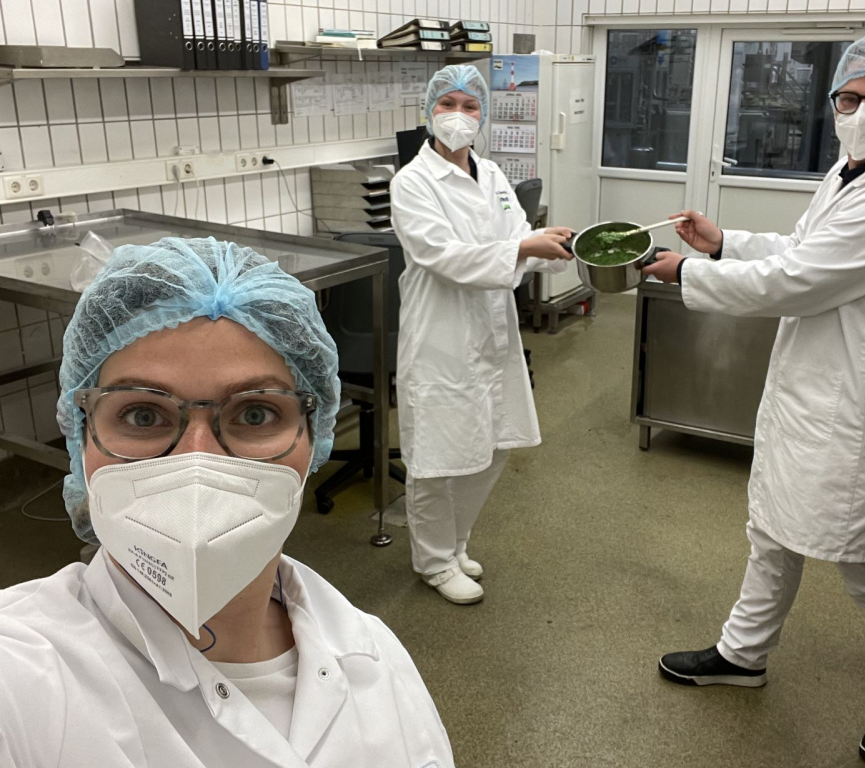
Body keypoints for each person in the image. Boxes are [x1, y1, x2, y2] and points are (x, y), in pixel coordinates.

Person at [0, 238, 455, 768]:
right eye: (143, 415)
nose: (199, 462)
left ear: (315, 440)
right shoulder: (21, 672)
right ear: (80, 438)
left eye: (256, 413)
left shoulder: (379, 659)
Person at [642, 34, 865, 766]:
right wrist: (725, 243)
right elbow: (802, 250)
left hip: (856, 408)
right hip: (812, 394)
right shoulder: (852, 172)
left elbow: (793, 285)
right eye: (850, 98)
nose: (863, 112)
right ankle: (743, 655)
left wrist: (687, 273)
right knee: (772, 534)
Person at [389, 65, 574, 605]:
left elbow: (517, 236)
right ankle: (432, 560)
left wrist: (551, 246)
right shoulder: (412, 182)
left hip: (493, 331)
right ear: (429, 112)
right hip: (440, 334)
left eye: (470, 107)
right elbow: (441, 256)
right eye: (448, 104)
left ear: (484, 115)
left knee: (493, 446)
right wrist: (523, 249)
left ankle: (456, 541)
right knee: (436, 457)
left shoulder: (492, 176)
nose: (459, 116)